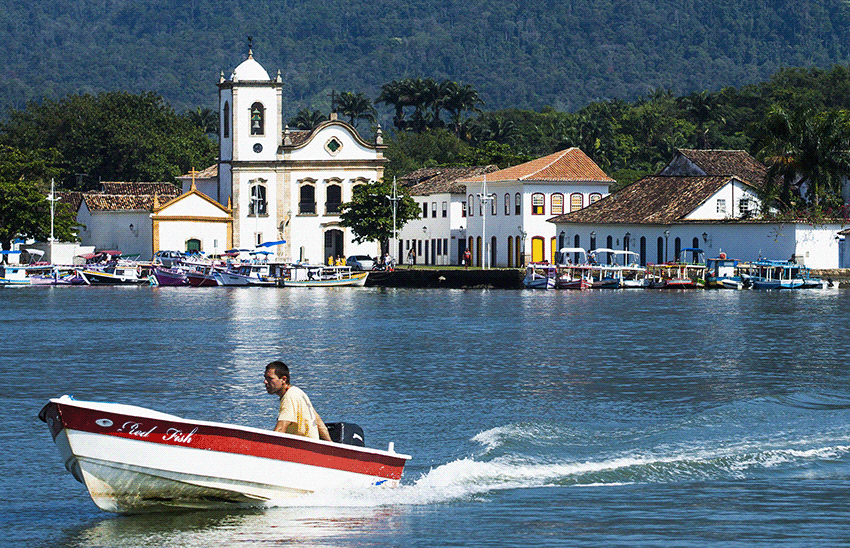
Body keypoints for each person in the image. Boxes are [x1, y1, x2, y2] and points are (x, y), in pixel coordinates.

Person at [263, 361, 331, 441]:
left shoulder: (289, 397)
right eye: (265, 378)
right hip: (310, 447)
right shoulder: (298, 392)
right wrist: (331, 445)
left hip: (303, 448)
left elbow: (280, 429)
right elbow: (318, 423)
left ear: (283, 379)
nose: (265, 381)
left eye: (270, 378)